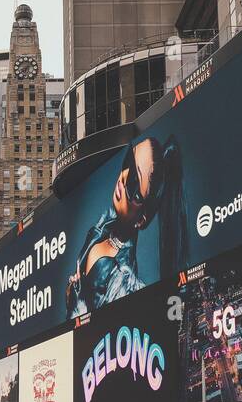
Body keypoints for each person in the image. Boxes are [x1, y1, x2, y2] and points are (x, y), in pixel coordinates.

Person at [65, 135, 185, 319]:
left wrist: (76, 304)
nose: (123, 177)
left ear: (141, 220)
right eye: (128, 161)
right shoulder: (101, 229)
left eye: (134, 183)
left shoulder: (123, 279)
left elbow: (105, 332)